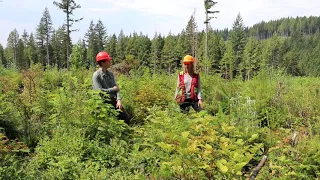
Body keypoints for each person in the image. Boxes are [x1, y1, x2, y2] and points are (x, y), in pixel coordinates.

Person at [92, 51, 131, 124]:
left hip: (113, 100)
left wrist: (119, 100)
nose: (110, 62)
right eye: (108, 60)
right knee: (107, 122)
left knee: (127, 118)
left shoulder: (110, 74)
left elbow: (117, 88)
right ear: (102, 62)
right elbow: (99, 91)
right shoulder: (96, 75)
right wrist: (112, 89)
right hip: (102, 102)